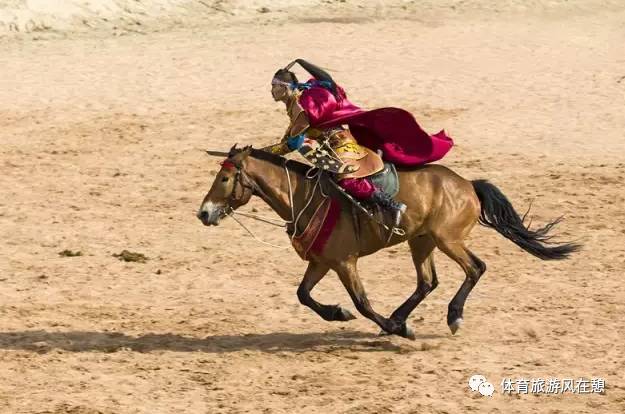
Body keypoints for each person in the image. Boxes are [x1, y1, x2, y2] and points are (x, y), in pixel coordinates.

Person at [263, 59, 454, 227]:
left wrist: (257, 154)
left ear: (285, 87)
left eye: (274, 86)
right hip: (327, 148)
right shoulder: (297, 102)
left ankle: (390, 205)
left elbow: (290, 144)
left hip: (340, 145)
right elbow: (327, 82)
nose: (271, 90)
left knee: (345, 178)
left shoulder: (301, 108)